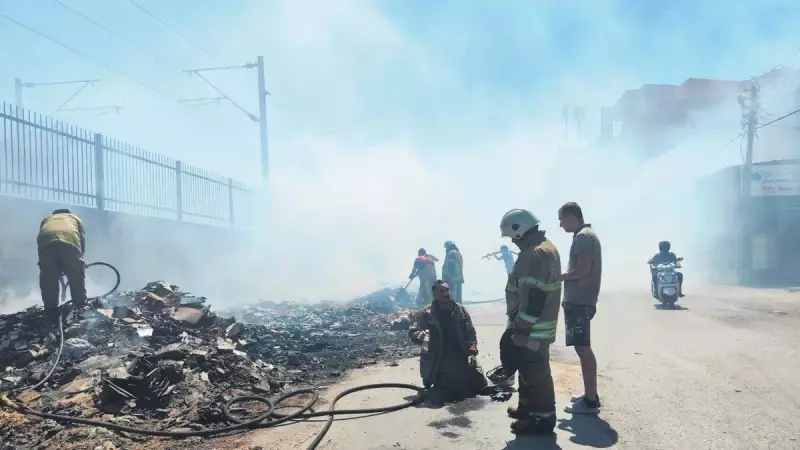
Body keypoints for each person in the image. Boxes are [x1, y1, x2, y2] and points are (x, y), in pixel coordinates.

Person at [500, 209, 562, 435]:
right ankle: (526, 408)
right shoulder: (545, 248)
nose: (513, 243)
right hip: (535, 325)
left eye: (512, 237)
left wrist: (522, 328)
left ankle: (542, 419)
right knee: (526, 369)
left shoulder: (535, 254)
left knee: (536, 374)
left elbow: (534, 295)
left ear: (520, 231)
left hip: (532, 327)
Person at [408, 280, 487, 402]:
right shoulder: (427, 313)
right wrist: (417, 335)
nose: (446, 293)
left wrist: (472, 349)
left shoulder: (460, 310)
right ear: (434, 294)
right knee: (443, 392)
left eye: (447, 290)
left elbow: (470, 332)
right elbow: (414, 331)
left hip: (459, 354)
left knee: (479, 385)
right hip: (437, 359)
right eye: (441, 291)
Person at [558, 202, 603, 415]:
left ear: (571, 216)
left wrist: (559, 277)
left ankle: (591, 401)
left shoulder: (583, 237)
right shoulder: (587, 235)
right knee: (582, 347)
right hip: (581, 300)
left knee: (583, 349)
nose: (560, 224)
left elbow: (583, 269)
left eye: (562, 219)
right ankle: (589, 395)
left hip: (580, 300)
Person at [37, 209, 87, 326]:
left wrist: (55, 266)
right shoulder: (74, 218)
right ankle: (80, 307)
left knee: (48, 278)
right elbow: (81, 240)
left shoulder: (47, 219)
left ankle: (50, 311)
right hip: (69, 240)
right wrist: (79, 261)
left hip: (46, 243)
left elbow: (43, 235)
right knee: (75, 275)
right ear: (68, 213)